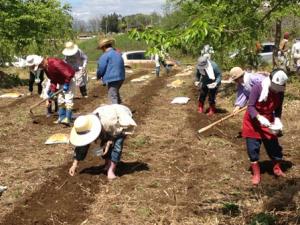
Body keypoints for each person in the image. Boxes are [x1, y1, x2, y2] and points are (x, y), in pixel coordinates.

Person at [242, 69, 288, 185]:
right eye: (275, 87)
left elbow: (278, 108)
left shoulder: (280, 91)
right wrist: (259, 117)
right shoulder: (258, 87)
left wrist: (277, 119)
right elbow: (251, 106)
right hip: (253, 121)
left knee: (274, 146)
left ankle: (277, 168)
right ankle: (256, 173)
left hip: (268, 121)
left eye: (279, 88)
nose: (276, 90)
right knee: (252, 149)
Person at [68, 104, 137, 180]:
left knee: (117, 145)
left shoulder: (109, 122)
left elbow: (117, 132)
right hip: (106, 120)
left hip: (120, 119)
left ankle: (111, 170)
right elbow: (82, 145)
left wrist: (111, 139)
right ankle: (107, 163)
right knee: (104, 141)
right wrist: (74, 164)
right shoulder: (85, 125)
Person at [27, 55, 75, 125]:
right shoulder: (46, 68)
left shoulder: (55, 63)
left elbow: (70, 73)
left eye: (39, 66)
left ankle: (68, 119)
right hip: (62, 82)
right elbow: (53, 79)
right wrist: (53, 90)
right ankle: (61, 118)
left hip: (70, 80)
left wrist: (67, 84)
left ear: (41, 63)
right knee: (60, 100)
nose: (40, 68)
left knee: (68, 99)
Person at [97, 38, 125, 104]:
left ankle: (116, 112)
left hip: (112, 78)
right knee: (116, 92)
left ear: (104, 47)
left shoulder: (105, 55)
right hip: (121, 77)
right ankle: (120, 107)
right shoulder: (118, 53)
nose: (102, 50)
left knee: (112, 95)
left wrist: (98, 76)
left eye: (101, 48)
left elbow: (101, 68)